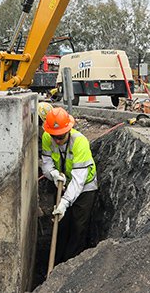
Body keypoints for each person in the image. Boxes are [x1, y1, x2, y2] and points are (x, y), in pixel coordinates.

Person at [41, 107, 98, 265]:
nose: (57, 141)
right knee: (61, 225)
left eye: (60, 137)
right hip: (62, 183)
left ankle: (72, 264)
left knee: (79, 226)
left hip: (85, 187)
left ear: (69, 129)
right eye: (54, 137)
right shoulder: (47, 137)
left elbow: (79, 180)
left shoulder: (80, 142)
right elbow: (46, 162)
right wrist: (52, 173)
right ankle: (56, 262)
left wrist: (65, 202)